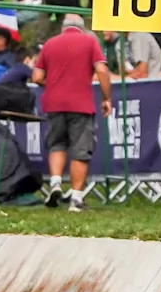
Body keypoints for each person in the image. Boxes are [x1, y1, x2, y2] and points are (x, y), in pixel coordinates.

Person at [32, 15, 112, 212]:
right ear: (82, 29)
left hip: (53, 103)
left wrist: (53, 84)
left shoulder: (49, 44)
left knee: (57, 144)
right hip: (80, 104)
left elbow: (37, 76)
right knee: (80, 149)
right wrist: (106, 97)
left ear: (63, 28)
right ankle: (76, 199)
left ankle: (56, 183)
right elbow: (101, 69)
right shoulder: (89, 41)